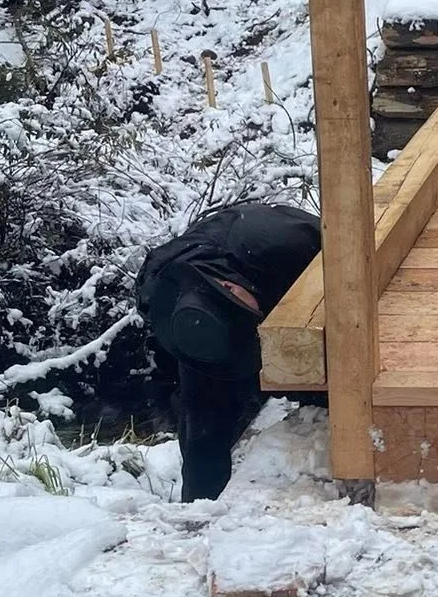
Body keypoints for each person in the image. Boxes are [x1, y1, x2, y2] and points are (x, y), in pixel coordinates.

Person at [136, 201, 322, 501]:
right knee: (203, 417)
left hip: (298, 274)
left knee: (320, 386)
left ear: (229, 286)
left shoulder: (284, 244)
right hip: (206, 315)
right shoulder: (172, 303)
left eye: (247, 319)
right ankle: (200, 505)